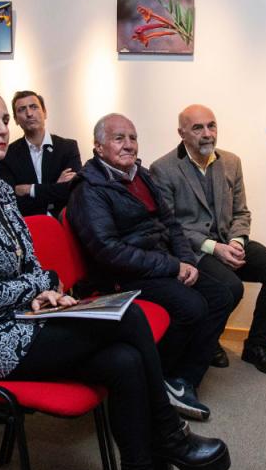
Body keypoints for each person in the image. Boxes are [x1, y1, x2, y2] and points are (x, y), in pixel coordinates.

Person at [0, 85, 230, 470]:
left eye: (3, 120)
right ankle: (170, 434)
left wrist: (45, 288)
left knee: (126, 360)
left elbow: (32, 265)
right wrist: (34, 290)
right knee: (130, 318)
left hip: (25, 319)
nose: (3, 129)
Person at [67, 113, 234, 421]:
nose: (128, 144)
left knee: (222, 295)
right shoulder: (88, 189)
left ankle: (179, 379)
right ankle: (157, 379)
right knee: (192, 306)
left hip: (157, 263)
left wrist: (184, 259)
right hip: (119, 276)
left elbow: (170, 223)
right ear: (99, 147)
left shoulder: (140, 175)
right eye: (119, 138)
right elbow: (109, 251)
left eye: (133, 137)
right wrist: (172, 266)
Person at [151, 105, 266, 375]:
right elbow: (170, 226)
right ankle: (209, 339)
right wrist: (214, 248)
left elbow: (241, 212)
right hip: (195, 250)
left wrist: (237, 243)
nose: (207, 134)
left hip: (229, 241)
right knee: (230, 288)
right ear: (181, 133)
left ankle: (257, 346)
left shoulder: (231, 162)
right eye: (198, 128)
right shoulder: (163, 169)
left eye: (211, 126)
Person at [0, 90, 81, 218]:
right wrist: (56, 187)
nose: (29, 113)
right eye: (21, 109)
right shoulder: (6, 155)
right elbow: (9, 203)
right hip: (29, 229)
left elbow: (74, 191)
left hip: (66, 225)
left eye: (34, 107)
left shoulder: (68, 147)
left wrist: (29, 189)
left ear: (45, 112)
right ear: (15, 120)